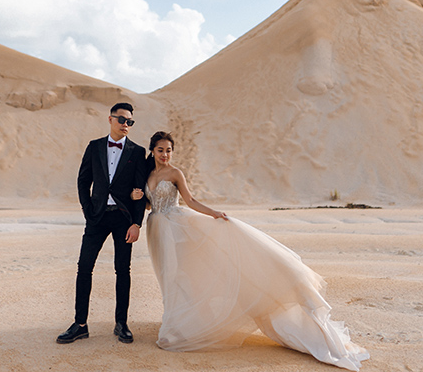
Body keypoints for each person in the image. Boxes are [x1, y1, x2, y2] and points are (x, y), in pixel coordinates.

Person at [131, 131, 370, 370]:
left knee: (181, 273)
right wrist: (139, 197)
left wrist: (214, 213)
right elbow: (151, 204)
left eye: (169, 150)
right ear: (152, 150)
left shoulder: (175, 173)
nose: (165, 155)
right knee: (168, 276)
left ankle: (176, 328)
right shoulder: (148, 173)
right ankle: (175, 321)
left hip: (178, 227)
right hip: (157, 230)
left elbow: (190, 200)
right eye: (161, 150)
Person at [56, 103, 149, 345]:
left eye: (130, 121)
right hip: (96, 217)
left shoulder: (137, 152)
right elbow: (83, 180)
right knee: (84, 268)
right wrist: (88, 210)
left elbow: (140, 189)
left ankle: (121, 323)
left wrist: (137, 223)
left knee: (123, 270)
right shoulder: (95, 146)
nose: (125, 124)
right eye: (121, 119)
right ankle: (80, 324)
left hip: (123, 219)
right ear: (110, 119)